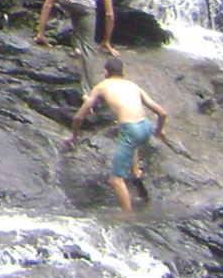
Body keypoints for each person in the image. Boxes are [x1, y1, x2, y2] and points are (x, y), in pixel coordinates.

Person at [61, 55, 168, 213]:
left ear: (105, 72)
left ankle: (127, 214)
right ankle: (135, 171)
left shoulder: (102, 86)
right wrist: (159, 131)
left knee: (115, 180)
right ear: (123, 71)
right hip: (146, 126)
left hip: (130, 130)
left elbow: (79, 116)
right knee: (133, 143)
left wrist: (74, 136)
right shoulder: (133, 85)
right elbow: (162, 113)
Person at [34, 0, 117, 90]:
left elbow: (48, 3)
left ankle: (76, 47)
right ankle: (87, 90)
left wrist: (41, 33)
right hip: (85, 4)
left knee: (75, 11)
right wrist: (106, 41)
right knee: (88, 46)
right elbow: (109, 13)